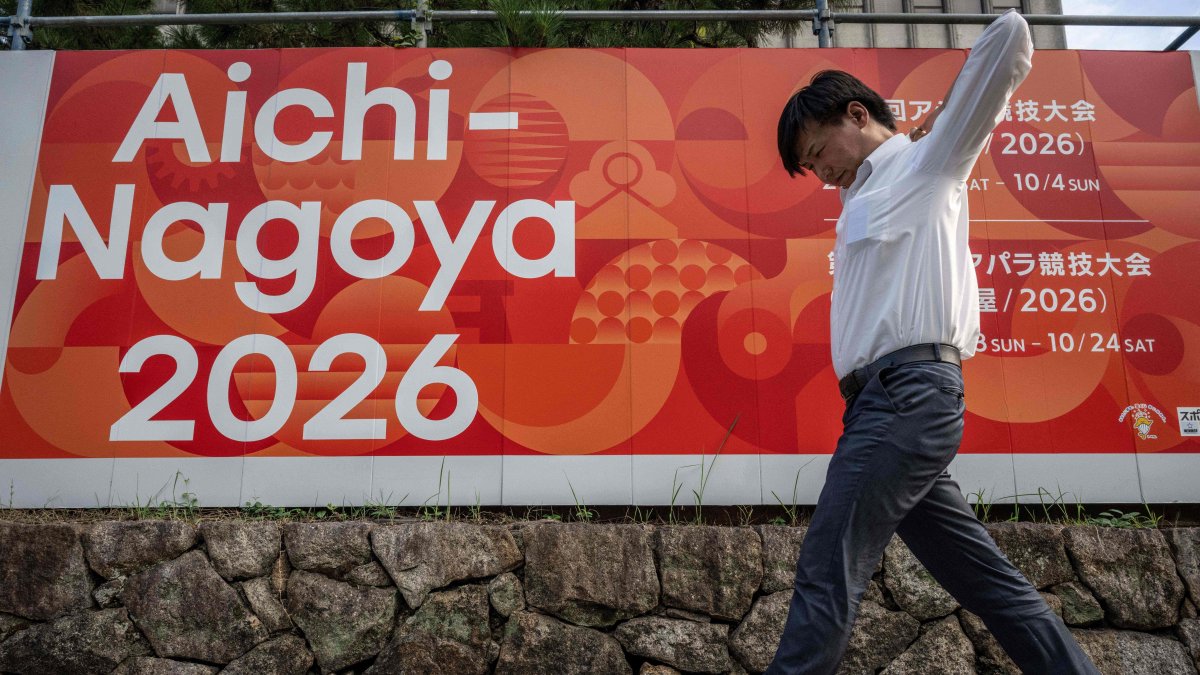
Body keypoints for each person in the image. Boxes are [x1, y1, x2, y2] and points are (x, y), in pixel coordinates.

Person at [766, 10, 1099, 674]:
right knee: (993, 588)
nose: (821, 173)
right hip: (882, 407)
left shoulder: (928, 162)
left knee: (828, 565)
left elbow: (1010, 35)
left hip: (908, 398)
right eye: (809, 166)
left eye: (818, 152)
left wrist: (940, 117)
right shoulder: (866, 193)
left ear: (856, 115)